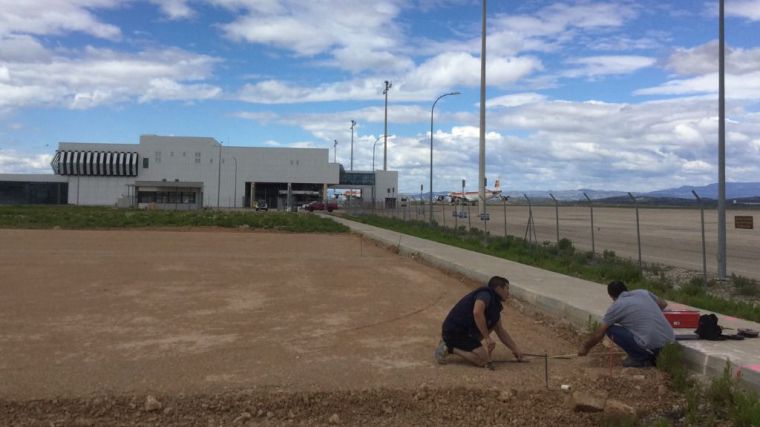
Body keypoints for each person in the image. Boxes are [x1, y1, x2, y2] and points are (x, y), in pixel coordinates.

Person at [578, 280, 675, 368]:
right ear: (626, 288)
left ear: (611, 296)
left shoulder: (616, 307)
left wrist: (585, 347)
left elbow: (599, 333)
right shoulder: (643, 292)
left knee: (610, 329)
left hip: (654, 347)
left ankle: (641, 358)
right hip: (670, 343)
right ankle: (648, 353)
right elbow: (663, 304)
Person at [434, 276, 523, 368]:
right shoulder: (485, 295)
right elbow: (477, 312)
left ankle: (459, 345)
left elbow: (500, 330)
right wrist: (487, 338)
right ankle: (450, 347)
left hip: (466, 332)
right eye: (507, 289)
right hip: (454, 331)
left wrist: (515, 349)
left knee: (495, 324)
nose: (508, 293)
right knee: (483, 360)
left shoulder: (495, 305)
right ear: (499, 289)